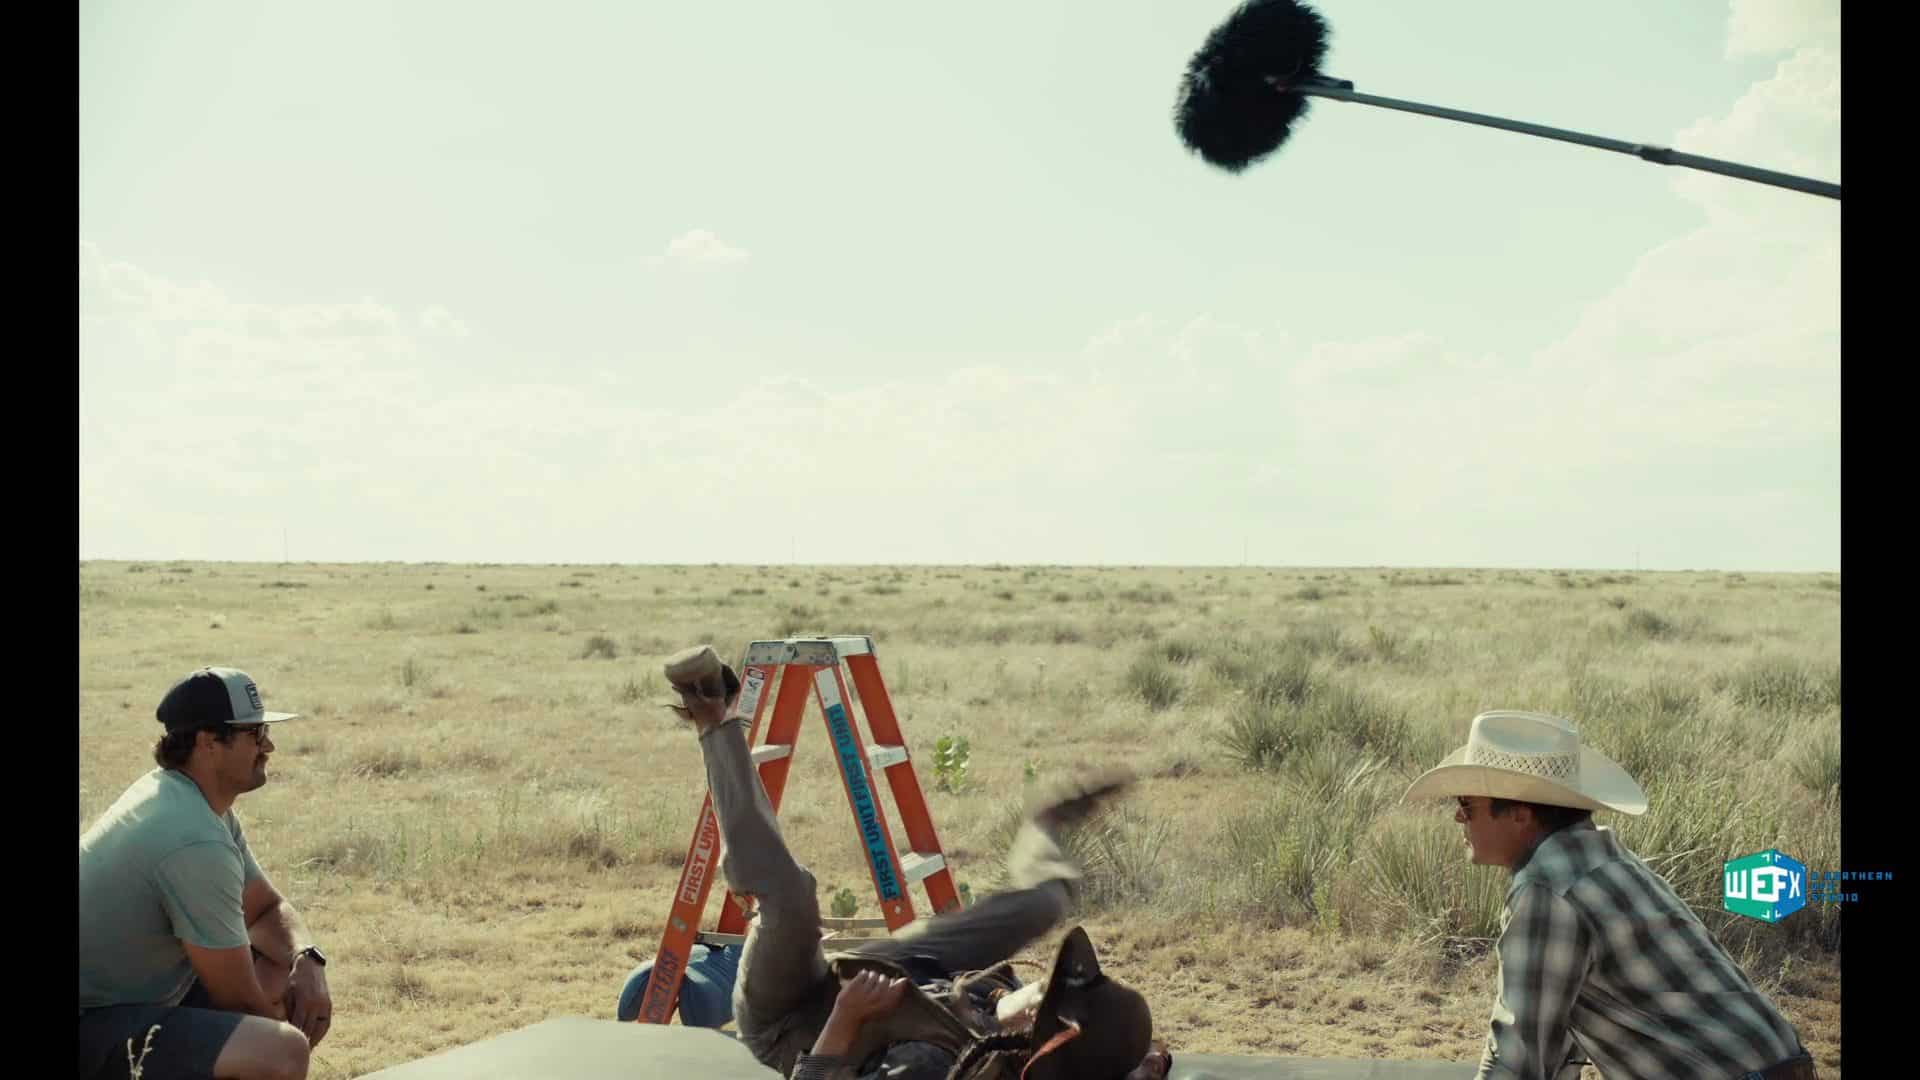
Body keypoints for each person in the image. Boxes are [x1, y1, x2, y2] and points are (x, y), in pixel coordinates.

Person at [663, 645, 1172, 1080]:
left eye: (1046, 1003)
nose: (1040, 991)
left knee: (792, 899)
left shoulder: (936, 1065)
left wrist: (845, 1016)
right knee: (1042, 903)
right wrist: (1138, 1058)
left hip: (791, 1018)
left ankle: (713, 719)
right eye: (1048, 991)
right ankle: (1044, 829)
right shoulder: (1011, 1017)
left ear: (1039, 1046)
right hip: (905, 970)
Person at [1403, 710, 1817, 1080]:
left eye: (1467, 804)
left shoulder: (1547, 891)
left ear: (1520, 814)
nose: (1458, 816)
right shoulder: (1604, 861)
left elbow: (1518, 1062)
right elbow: (1557, 1049)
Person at [80, 667, 334, 1080]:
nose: (269, 745)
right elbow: (239, 1001)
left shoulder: (185, 797)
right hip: (91, 1020)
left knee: (280, 971)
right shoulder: (192, 838)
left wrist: (308, 959)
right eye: (255, 733)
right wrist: (284, 1035)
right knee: (283, 1052)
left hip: (125, 1002)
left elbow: (264, 911)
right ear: (207, 742)